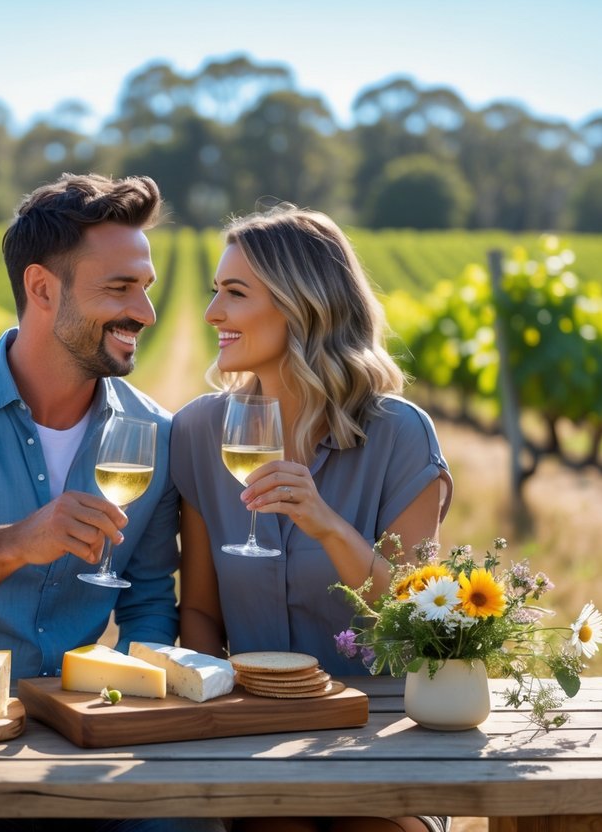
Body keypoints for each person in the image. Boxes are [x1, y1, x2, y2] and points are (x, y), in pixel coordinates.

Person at [0, 173, 220, 832]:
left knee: (186, 828)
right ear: (41, 289)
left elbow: (146, 598)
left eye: (143, 287)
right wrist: (17, 542)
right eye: (118, 288)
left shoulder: (155, 436)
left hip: (84, 739)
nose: (144, 311)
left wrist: (127, 704)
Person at [171, 205, 453, 832]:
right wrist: (210, 725)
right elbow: (200, 612)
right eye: (215, 292)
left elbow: (419, 625)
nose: (213, 313)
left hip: (380, 740)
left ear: (303, 307)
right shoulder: (198, 432)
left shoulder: (399, 435)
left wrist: (328, 526)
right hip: (252, 740)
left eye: (235, 293)